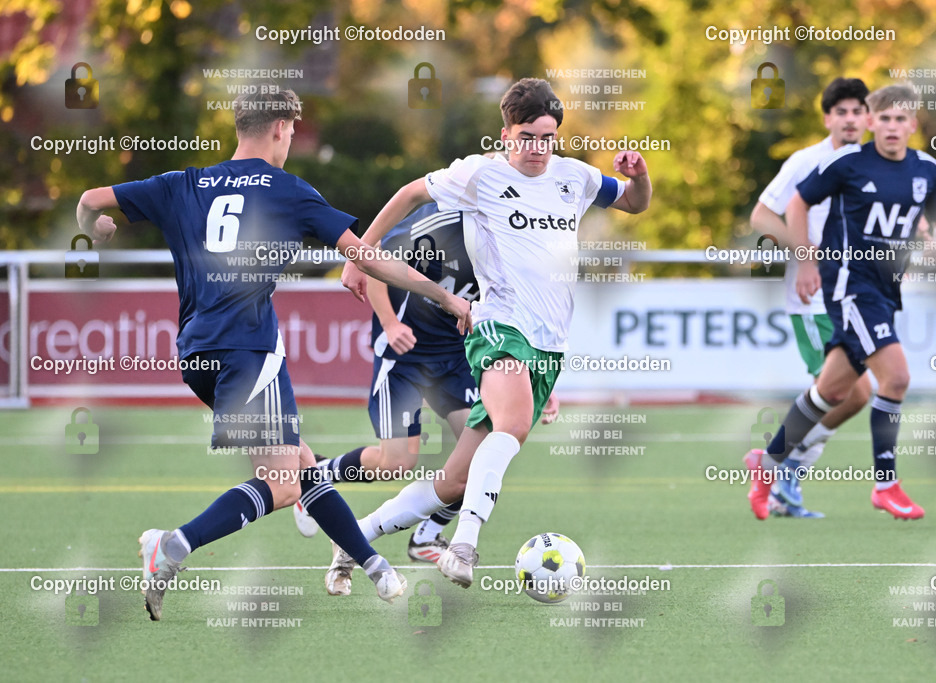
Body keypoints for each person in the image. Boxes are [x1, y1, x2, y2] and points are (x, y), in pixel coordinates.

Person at [74, 87, 472, 619]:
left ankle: (374, 566)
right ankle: (172, 546)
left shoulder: (181, 183)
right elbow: (370, 260)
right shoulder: (287, 190)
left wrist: (94, 229)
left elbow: (90, 202)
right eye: (292, 131)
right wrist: (444, 295)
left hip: (197, 355)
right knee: (282, 483)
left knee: (304, 465)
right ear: (282, 127)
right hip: (248, 349)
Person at [339, 77, 651, 587]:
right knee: (515, 424)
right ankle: (464, 544)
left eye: (547, 136)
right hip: (498, 325)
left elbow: (636, 204)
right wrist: (359, 254)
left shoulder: (575, 177)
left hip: (550, 344)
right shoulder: (479, 175)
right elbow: (409, 193)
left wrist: (640, 176)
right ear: (505, 134)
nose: (537, 148)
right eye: (527, 135)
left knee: (455, 479)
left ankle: (354, 536)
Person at [297, 201, 559, 595]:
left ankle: (427, 537)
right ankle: (317, 474)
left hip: (456, 358)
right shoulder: (443, 224)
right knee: (397, 462)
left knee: (476, 457)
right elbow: (377, 260)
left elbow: (527, 320)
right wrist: (389, 323)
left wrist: (542, 384)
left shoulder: (517, 243)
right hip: (405, 353)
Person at [744, 83, 936, 520]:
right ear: (870, 123)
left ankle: (769, 466)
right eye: (884, 118)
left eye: (901, 119)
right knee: (895, 378)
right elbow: (795, 204)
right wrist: (806, 259)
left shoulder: (927, 170)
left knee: (835, 391)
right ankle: (886, 485)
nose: (892, 126)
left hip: (885, 290)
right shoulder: (838, 163)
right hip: (846, 287)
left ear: (913, 124)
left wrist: (935, 243)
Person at [749, 77, 874, 518]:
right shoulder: (807, 161)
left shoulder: (876, 164)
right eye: (841, 111)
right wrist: (805, 258)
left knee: (856, 396)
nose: (850, 118)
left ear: (869, 117)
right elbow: (762, 214)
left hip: (854, 298)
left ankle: (783, 463)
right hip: (814, 299)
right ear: (828, 119)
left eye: (858, 110)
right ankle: (782, 464)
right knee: (853, 392)